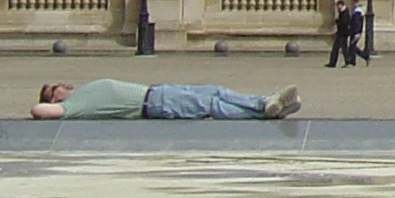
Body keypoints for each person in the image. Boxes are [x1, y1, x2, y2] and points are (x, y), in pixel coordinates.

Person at [32, 80, 298, 121]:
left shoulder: (81, 94)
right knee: (209, 105)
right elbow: (38, 111)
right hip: (154, 104)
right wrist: (49, 104)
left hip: (158, 92)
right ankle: (265, 111)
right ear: (54, 96)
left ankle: (266, 102)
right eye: (57, 86)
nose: (64, 84)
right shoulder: (73, 106)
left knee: (215, 92)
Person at [326, 0, 361, 69]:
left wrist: (337, 21)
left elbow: (344, 23)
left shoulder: (345, 12)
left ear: (341, 5)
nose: (337, 7)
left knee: (343, 49)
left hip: (343, 34)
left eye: (338, 6)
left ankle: (347, 61)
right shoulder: (343, 11)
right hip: (341, 33)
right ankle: (333, 62)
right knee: (336, 48)